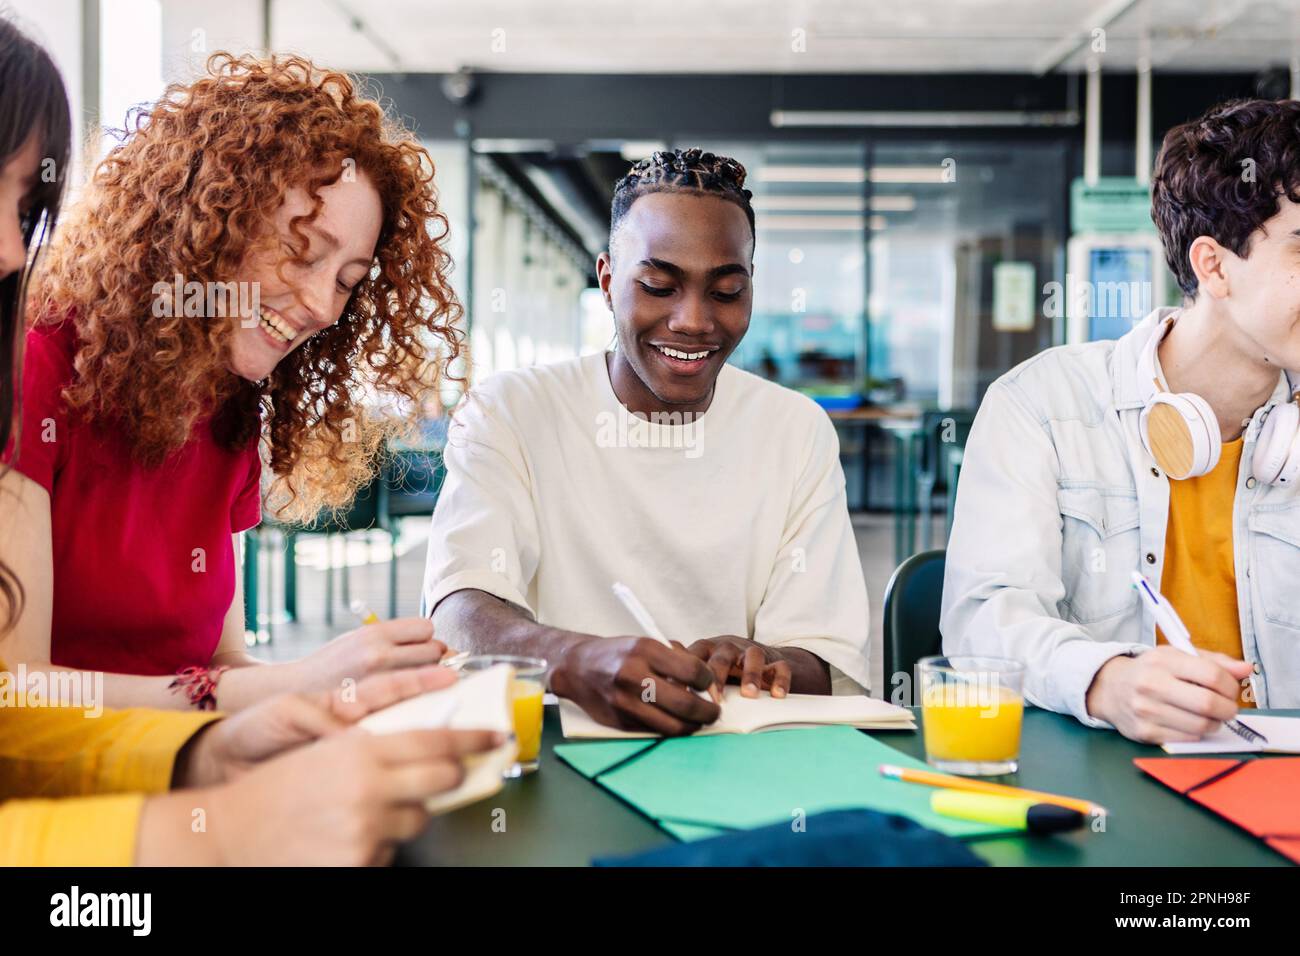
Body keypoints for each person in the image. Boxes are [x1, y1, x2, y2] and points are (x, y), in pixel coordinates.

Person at [0, 16, 500, 865]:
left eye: (347, 281)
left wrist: (318, 691)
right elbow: (19, 696)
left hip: (175, 795)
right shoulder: (38, 356)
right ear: (205, 224)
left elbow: (217, 662)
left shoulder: (230, 405)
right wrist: (263, 701)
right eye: (299, 255)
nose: (321, 306)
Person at [425, 148, 871, 735]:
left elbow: (825, 659)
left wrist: (768, 663)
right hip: (557, 744)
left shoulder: (795, 428)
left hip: (732, 755)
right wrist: (574, 659)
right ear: (608, 282)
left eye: (727, 291)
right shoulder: (512, 410)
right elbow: (460, 606)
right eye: (659, 285)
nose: (693, 320)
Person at [941, 98, 1300, 744]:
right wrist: (1106, 680)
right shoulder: (1044, 406)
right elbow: (983, 621)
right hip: (1105, 794)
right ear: (1214, 266)